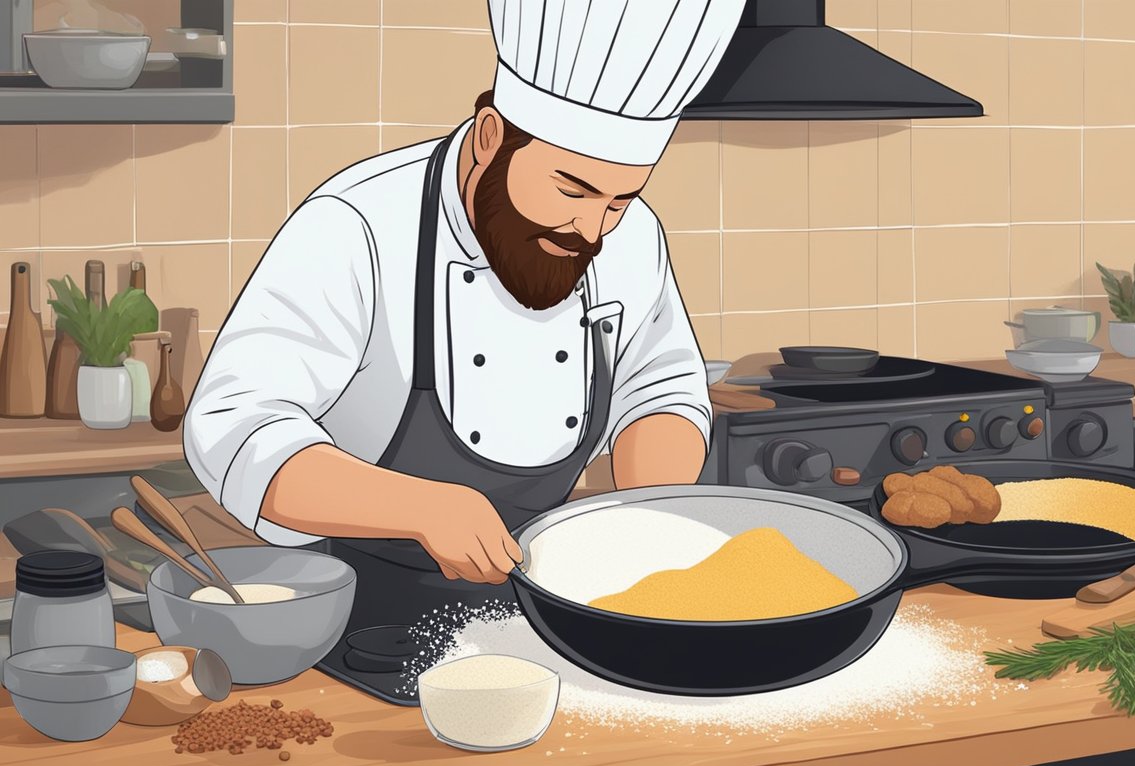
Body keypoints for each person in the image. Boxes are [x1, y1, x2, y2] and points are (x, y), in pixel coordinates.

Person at [183, 1, 747, 599]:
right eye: (570, 190)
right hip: (359, 604)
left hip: (548, 599)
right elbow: (233, 425)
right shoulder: (358, 226)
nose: (591, 228)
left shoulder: (629, 235)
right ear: (489, 137)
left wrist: (647, 513)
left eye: (618, 200)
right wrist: (421, 507)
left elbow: (660, 386)